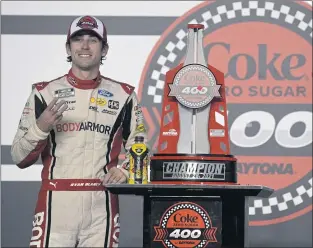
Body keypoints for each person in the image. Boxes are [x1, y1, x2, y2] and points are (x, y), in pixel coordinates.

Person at [11, 15, 149, 247]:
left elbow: (142, 142)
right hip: (56, 200)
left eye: (93, 40)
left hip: (102, 202)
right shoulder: (44, 93)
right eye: (78, 39)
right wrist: (41, 127)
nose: (85, 46)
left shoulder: (123, 95)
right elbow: (19, 158)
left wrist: (126, 171)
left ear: (104, 49)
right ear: (68, 47)